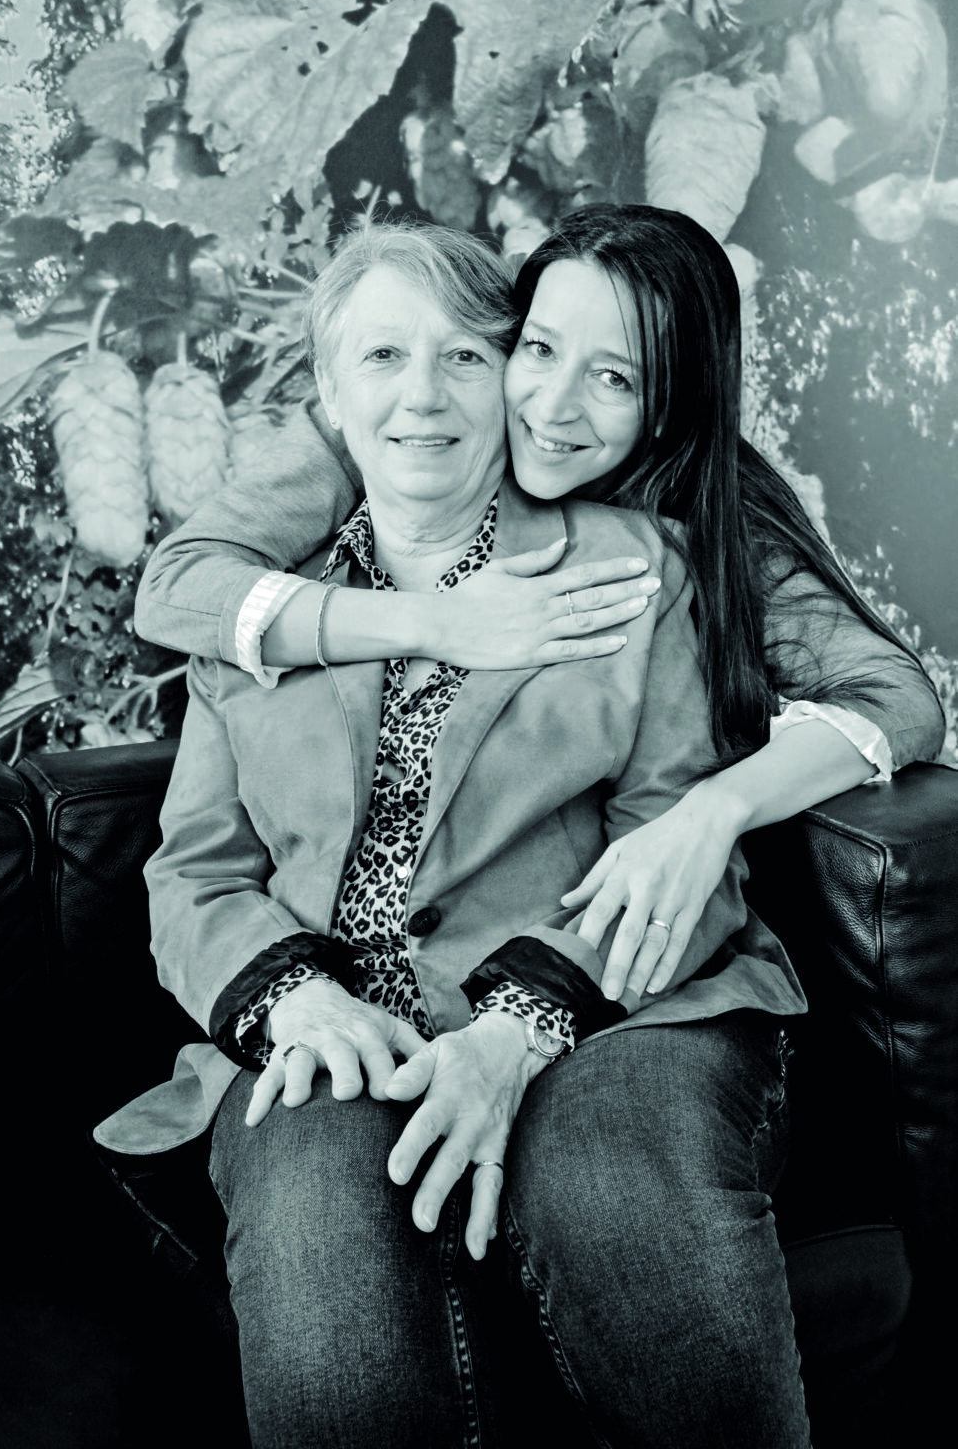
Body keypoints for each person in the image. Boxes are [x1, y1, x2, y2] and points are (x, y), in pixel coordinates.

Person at [98, 219, 820, 1448]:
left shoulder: (634, 569)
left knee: (613, 1185)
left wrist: (517, 1027)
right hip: (330, 1032)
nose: (422, 395)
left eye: (464, 357)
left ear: (509, 382)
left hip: (611, 1012)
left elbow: (673, 847)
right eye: (381, 357)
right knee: (314, 1205)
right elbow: (197, 874)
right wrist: (295, 1004)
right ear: (331, 400)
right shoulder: (259, 613)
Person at [132, 204, 944, 1000]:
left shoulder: (709, 536)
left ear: (672, 402)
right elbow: (178, 584)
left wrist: (712, 812)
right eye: (540, 349)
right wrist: (436, 623)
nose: (554, 407)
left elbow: (900, 699)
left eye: (616, 377)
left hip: (614, 957)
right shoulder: (388, 427)